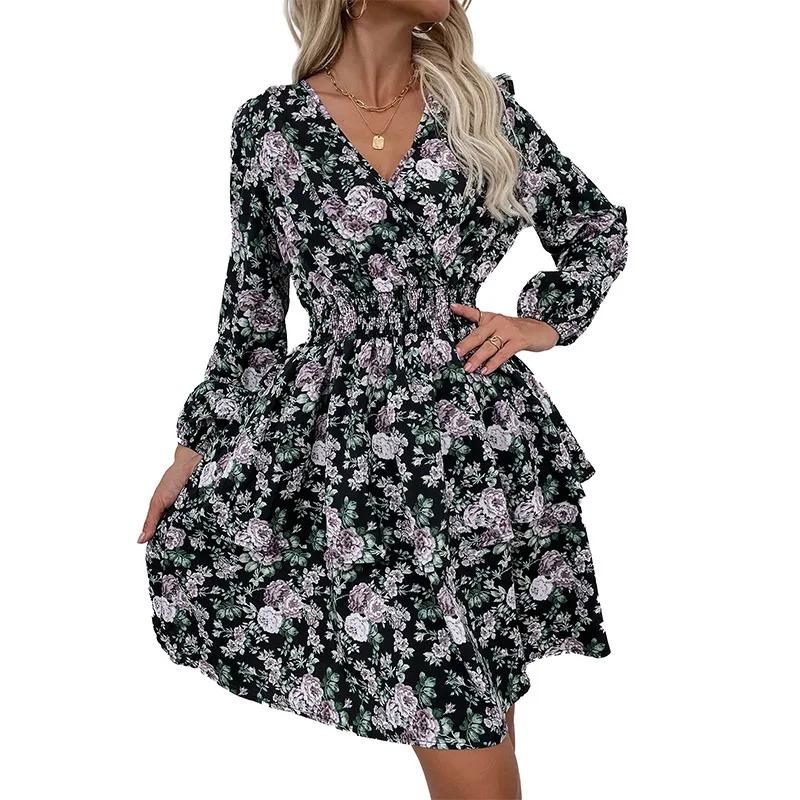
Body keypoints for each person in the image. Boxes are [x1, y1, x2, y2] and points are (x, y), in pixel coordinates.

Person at [138, 1, 628, 797]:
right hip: (350, 466)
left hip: (474, 451)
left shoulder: (480, 108)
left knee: (475, 715)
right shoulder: (271, 128)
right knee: (464, 718)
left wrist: (540, 322)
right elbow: (253, 314)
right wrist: (192, 449)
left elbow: (594, 229)